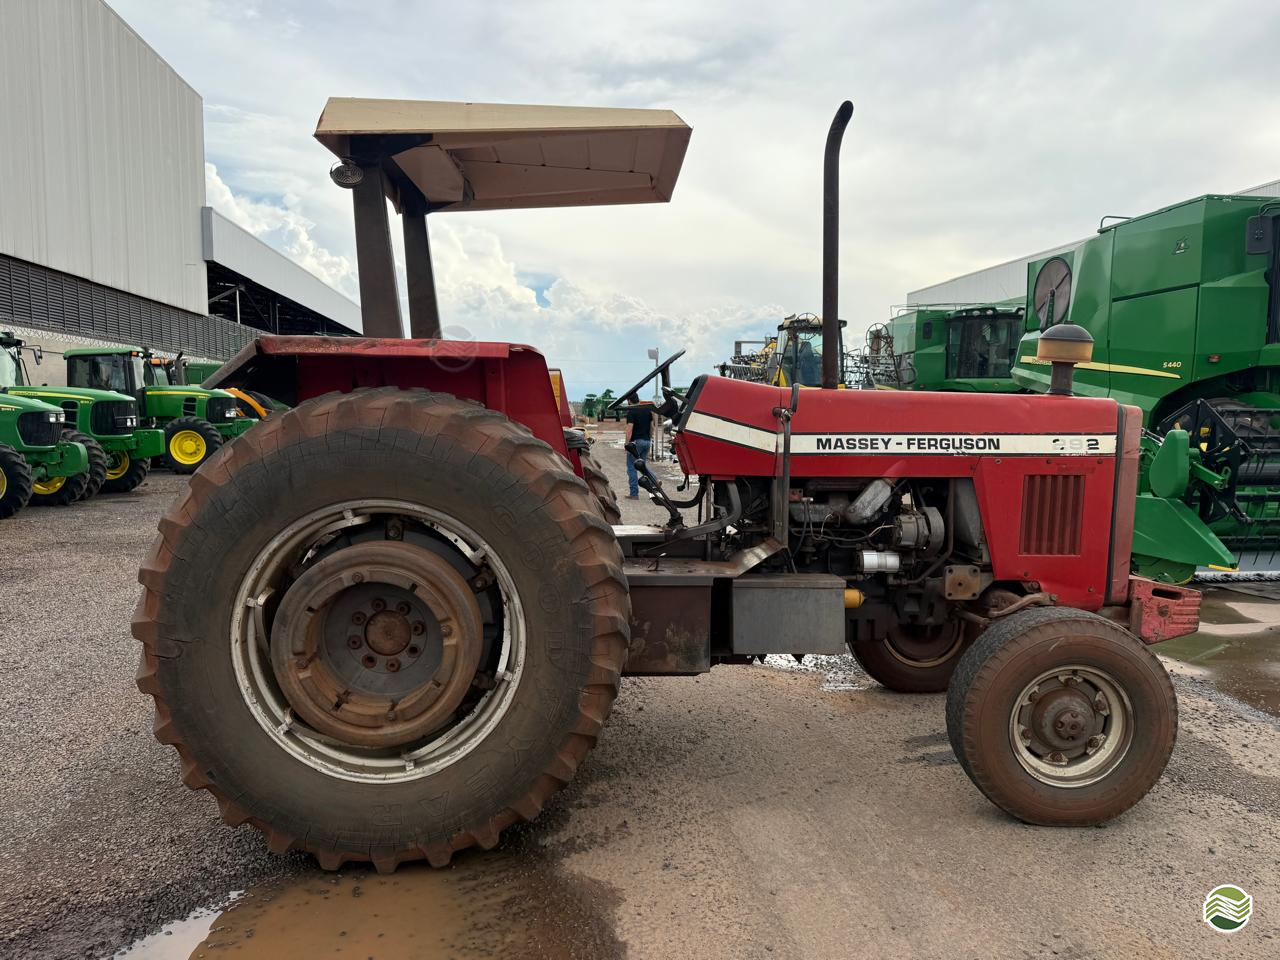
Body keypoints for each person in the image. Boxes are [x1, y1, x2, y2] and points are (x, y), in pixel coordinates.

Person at [624, 401, 656, 499]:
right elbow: (652, 427)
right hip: (646, 441)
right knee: (642, 466)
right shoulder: (647, 411)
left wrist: (626, 444)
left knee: (632, 467)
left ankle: (634, 494)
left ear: (630, 401)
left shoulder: (631, 412)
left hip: (635, 444)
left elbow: (629, 429)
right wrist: (649, 439)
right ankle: (655, 480)